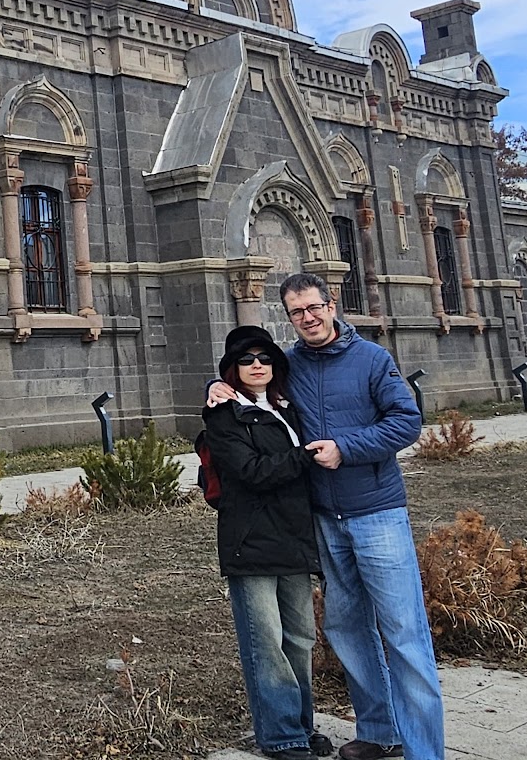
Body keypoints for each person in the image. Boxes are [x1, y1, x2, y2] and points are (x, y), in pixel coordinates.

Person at [209, 274, 443, 760]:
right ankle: (380, 733)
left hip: (376, 512)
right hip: (323, 519)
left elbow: (406, 422)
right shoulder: (287, 365)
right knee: (346, 630)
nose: (308, 318)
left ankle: (426, 752)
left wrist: (347, 449)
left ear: (332, 304)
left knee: (403, 633)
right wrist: (215, 384)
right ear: (288, 317)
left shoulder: (372, 359)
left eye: (314, 307)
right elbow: (250, 379)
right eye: (297, 312)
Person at [202, 324, 329, 760]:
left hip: (293, 536)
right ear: (231, 369)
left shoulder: (286, 408)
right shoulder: (224, 415)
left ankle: (302, 726)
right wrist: (306, 456)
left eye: (264, 358)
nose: (257, 365)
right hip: (251, 540)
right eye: (246, 359)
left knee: (299, 638)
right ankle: (280, 735)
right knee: (266, 642)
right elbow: (251, 471)